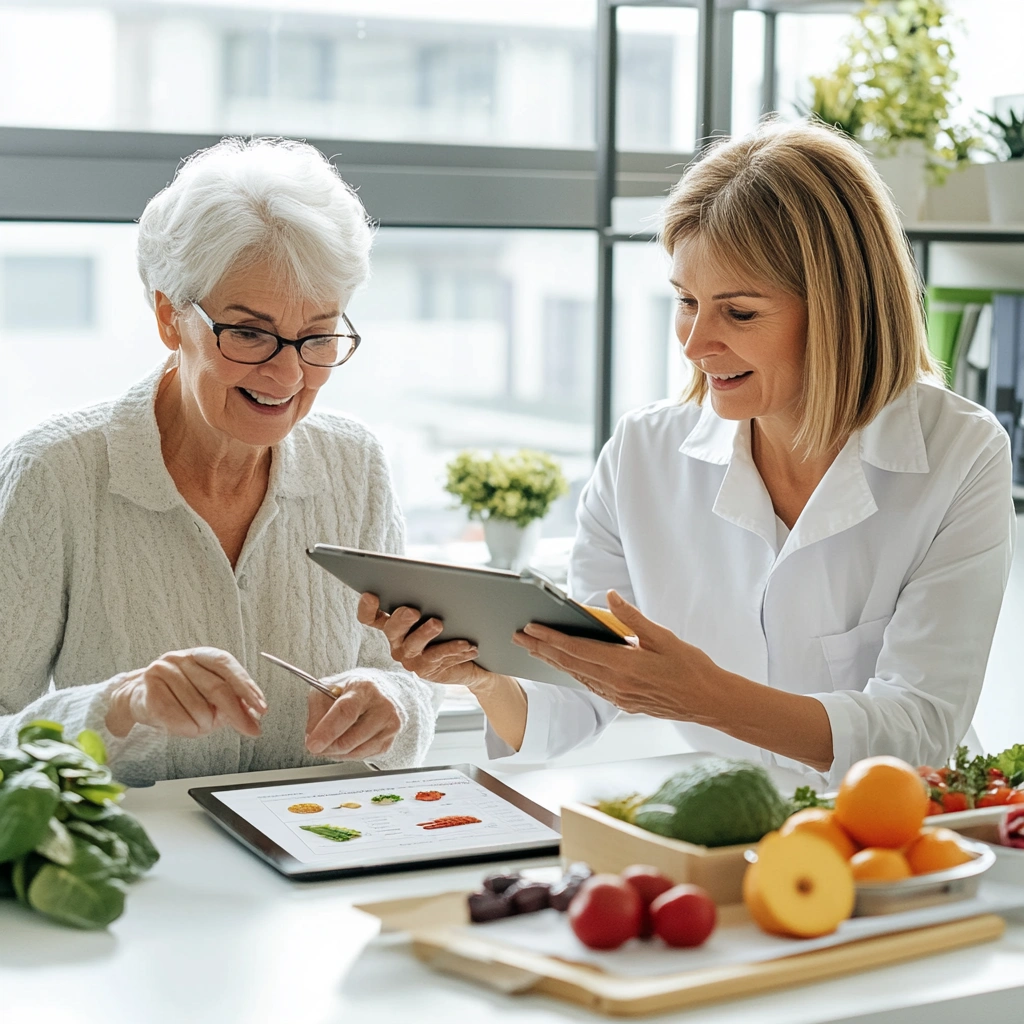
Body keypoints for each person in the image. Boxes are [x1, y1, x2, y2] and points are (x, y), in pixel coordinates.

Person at [361, 120, 1015, 785]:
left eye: (739, 313)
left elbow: (920, 727)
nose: (695, 344)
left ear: (840, 310)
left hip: (895, 824)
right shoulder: (643, 455)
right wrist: (481, 677)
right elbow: (579, 696)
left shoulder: (960, 454)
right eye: (686, 302)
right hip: (720, 820)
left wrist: (703, 696)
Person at [0, 137, 441, 785]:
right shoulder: (54, 475)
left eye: (318, 334)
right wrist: (117, 708)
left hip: (318, 840)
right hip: (140, 845)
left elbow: (407, 676)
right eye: (250, 333)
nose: (288, 374)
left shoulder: (356, 465)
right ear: (170, 317)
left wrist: (394, 705)